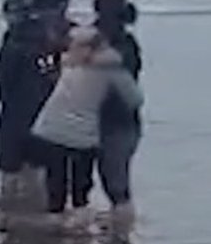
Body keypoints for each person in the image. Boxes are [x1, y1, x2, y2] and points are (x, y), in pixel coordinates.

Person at [31, 25, 145, 226]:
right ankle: (77, 217)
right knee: (80, 178)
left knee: (56, 176)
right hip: (82, 132)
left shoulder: (68, 63)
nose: (70, 47)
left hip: (51, 127)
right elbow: (135, 99)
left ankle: (57, 219)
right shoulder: (111, 69)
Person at [0, 0, 58, 207]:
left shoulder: (13, 44)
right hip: (43, 115)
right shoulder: (47, 40)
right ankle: (36, 211)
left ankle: (9, 214)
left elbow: (3, 81)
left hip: (15, 114)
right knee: (37, 172)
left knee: (9, 174)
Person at [92, 0, 143, 232]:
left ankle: (122, 232)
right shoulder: (126, 43)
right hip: (117, 120)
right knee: (112, 178)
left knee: (115, 181)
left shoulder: (119, 46)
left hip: (116, 121)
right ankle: (121, 228)